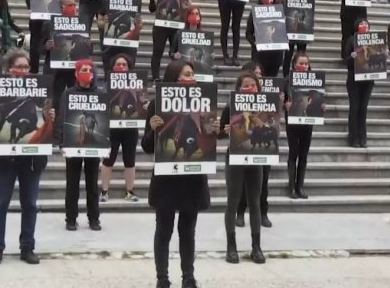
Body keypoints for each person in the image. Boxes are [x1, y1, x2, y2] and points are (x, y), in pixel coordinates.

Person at [143, 61, 215, 288]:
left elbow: (209, 141)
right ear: (174, 77)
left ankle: (188, 277)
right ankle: (162, 278)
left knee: (188, 230)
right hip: (167, 178)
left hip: (192, 177)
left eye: (192, 74)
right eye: (186, 74)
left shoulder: (203, 103)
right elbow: (146, 146)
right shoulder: (157, 104)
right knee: (163, 229)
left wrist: (214, 130)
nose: (190, 77)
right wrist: (153, 130)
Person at [0, 50, 55, 265]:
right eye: (20, 67)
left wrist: (50, 118)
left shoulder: (40, 93)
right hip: (5, 159)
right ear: (9, 70)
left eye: (27, 67)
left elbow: (47, 128)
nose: (24, 70)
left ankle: (27, 247)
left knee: (30, 204)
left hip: (31, 158)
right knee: (0, 203)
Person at [218, 72, 266, 264]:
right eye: (245, 86)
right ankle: (231, 247)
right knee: (233, 201)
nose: (250, 88)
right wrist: (225, 131)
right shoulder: (231, 106)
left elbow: (271, 127)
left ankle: (256, 247)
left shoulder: (264, 106)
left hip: (255, 159)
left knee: (255, 202)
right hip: (235, 157)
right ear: (238, 89)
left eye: (253, 85)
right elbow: (218, 133)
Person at [55, 59, 102, 231]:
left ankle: (94, 219)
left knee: (92, 183)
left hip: (93, 145)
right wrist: (61, 142)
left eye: (90, 69)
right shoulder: (68, 94)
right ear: (76, 73)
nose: (87, 71)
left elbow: (104, 120)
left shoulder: (100, 94)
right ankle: (71, 218)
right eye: (84, 69)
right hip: (73, 143)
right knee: (72, 183)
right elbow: (61, 118)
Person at [234, 62, 272, 228]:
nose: (257, 77)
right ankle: (240, 212)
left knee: (263, 181)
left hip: (261, 146)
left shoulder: (268, 102)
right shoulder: (235, 103)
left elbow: (271, 122)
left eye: (259, 75)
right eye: (253, 73)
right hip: (243, 146)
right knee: (242, 182)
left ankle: (263, 213)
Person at [100, 54, 141, 203]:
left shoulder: (136, 85)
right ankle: (104, 191)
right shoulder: (106, 85)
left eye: (124, 65)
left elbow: (140, 104)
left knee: (130, 160)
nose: (121, 67)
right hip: (112, 128)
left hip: (130, 127)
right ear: (112, 68)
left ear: (129, 68)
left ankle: (130, 191)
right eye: (118, 64)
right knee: (108, 159)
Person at [42, 0, 94, 114]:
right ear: (62, 8)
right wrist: (46, 46)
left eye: (75, 5)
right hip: (56, 71)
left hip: (74, 71)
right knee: (55, 101)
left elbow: (89, 51)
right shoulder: (49, 24)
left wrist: (89, 44)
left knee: (75, 101)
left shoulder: (82, 23)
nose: (74, 8)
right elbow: (39, 48)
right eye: (70, 5)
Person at [284, 52, 321, 199]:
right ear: (294, 64)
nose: (304, 66)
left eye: (306, 64)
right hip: (292, 122)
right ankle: (291, 186)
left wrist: (321, 106)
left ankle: (300, 186)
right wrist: (284, 104)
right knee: (293, 153)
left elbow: (318, 98)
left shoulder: (315, 80)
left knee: (303, 155)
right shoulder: (288, 80)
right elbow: (280, 100)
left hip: (307, 122)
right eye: (301, 63)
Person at [97, 0, 142, 78]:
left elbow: (139, 26)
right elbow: (99, 22)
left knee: (128, 73)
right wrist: (103, 23)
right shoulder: (106, 2)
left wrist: (138, 25)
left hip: (129, 45)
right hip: (110, 45)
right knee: (109, 73)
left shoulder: (134, 3)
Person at [25, 0, 59, 74]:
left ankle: (48, 74)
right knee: (34, 47)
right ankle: (33, 72)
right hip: (37, 18)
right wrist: (32, 8)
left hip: (51, 18)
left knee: (51, 45)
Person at [343, 18, 374, 148]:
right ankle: (353, 138)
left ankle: (363, 138)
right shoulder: (351, 40)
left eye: (366, 24)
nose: (364, 26)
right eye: (361, 24)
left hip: (368, 80)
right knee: (354, 108)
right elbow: (346, 60)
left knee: (363, 108)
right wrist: (353, 56)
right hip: (354, 80)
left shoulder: (373, 41)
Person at [149, 0, 180, 81]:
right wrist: (155, 3)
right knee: (157, 51)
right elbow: (151, 9)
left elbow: (181, 9)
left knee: (175, 53)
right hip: (160, 26)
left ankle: (174, 77)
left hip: (175, 25)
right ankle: (156, 77)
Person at [246, 0, 284, 77]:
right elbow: (248, 33)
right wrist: (255, 44)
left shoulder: (280, 13)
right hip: (260, 55)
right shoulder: (254, 13)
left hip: (275, 55)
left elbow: (283, 31)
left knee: (272, 80)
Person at [281, 0, 308, 78]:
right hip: (288, 31)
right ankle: (286, 76)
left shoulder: (305, 0)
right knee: (288, 55)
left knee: (301, 55)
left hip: (302, 32)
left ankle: (299, 75)